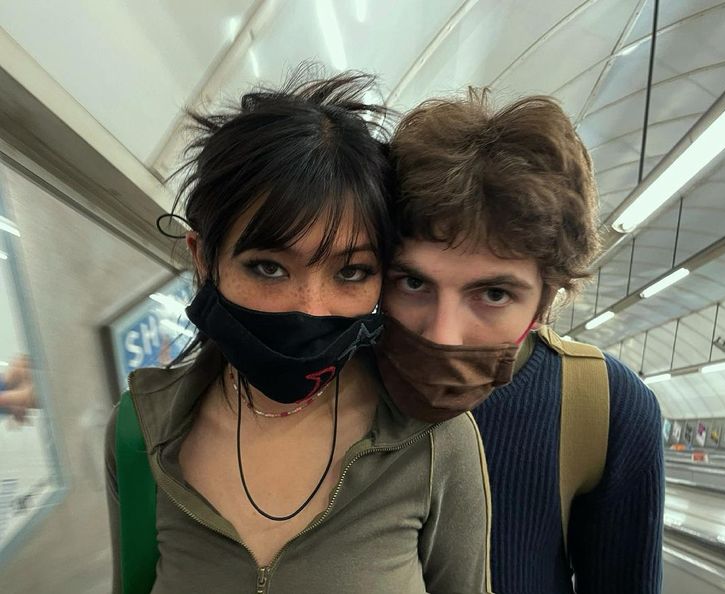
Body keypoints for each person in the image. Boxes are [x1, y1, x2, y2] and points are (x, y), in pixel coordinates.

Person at [104, 71, 492, 594]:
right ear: (204, 260)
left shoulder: (433, 438)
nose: (310, 308)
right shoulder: (139, 431)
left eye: (351, 271)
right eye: (268, 267)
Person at [376, 90, 664, 593]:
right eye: (413, 283)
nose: (444, 334)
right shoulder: (320, 383)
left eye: (492, 293)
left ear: (546, 298)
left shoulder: (605, 406)